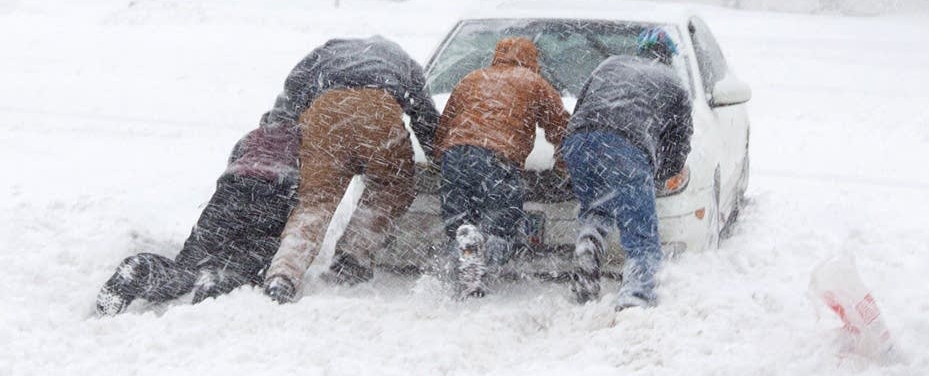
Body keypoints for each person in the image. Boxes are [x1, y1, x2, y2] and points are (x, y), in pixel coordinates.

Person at [263, 36, 439, 304]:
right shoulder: (402, 60)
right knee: (391, 187)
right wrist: (438, 157)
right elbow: (424, 116)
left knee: (315, 202)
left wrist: (271, 135)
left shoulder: (324, 53)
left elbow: (290, 98)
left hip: (325, 113)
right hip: (378, 112)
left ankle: (285, 273)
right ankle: (353, 256)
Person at [96, 113, 300, 316]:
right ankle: (218, 279)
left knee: (189, 265)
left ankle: (143, 270)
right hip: (272, 202)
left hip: (226, 199)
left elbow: (232, 165)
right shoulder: (304, 143)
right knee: (249, 262)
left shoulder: (251, 137)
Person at [562, 27, 693, 311]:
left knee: (599, 207)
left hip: (578, 141)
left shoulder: (610, 64)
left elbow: (580, 108)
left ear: (640, 50)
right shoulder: (673, 83)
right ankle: (636, 299)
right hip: (626, 146)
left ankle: (589, 243)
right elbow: (678, 145)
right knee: (642, 238)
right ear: (668, 56)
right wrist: (656, 176)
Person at [433, 37, 569, 297]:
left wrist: (440, 158)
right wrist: (562, 165)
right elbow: (560, 128)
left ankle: (461, 280)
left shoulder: (472, 78)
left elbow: (445, 124)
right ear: (532, 59)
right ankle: (482, 277)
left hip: (456, 156)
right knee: (500, 227)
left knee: (459, 228)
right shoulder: (535, 83)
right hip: (496, 159)